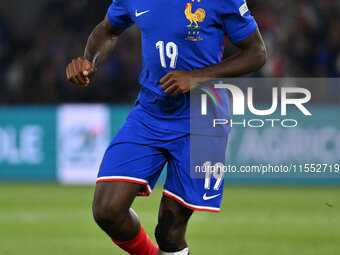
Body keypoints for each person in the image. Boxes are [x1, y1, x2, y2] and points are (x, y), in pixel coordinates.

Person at [66, 0, 266, 254]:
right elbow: (107, 30)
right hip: (150, 113)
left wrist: (197, 76)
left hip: (202, 119)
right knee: (107, 211)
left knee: (169, 233)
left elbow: (257, 53)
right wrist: (88, 61)